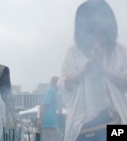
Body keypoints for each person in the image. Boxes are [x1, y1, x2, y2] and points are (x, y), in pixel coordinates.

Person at [57, 0, 127, 141]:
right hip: (82, 126)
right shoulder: (73, 53)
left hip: (116, 122)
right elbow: (64, 84)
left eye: (101, 23)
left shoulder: (119, 52)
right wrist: (87, 68)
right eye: (92, 25)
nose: (97, 28)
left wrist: (103, 68)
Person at [38, 76, 62, 141]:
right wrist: (40, 120)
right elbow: (43, 106)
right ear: (55, 82)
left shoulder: (54, 92)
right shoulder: (51, 91)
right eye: (59, 82)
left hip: (51, 125)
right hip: (50, 125)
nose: (61, 84)